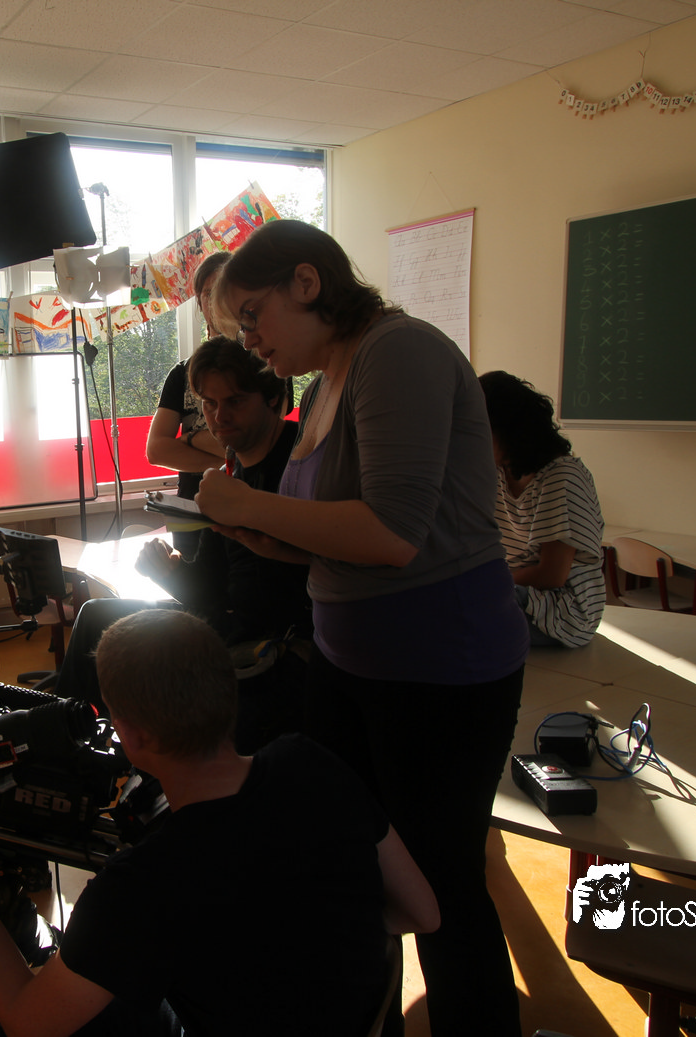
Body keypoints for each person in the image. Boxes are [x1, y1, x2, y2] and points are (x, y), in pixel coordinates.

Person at [196, 220, 528, 1036]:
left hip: (437, 665)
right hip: (351, 660)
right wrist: (263, 533)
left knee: (438, 883)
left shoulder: (397, 351)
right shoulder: (325, 380)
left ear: (306, 283)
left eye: (252, 315)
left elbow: (391, 532)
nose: (249, 340)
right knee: (354, 861)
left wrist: (250, 502)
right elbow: (329, 529)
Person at [0, 609, 439, 1037]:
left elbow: (29, 1023)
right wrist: (306, 934)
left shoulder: (142, 886)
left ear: (133, 736)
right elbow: (424, 913)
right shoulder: (310, 761)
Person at [59, 336, 310, 751]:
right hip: (224, 621)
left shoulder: (299, 462)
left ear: (273, 400)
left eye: (234, 401)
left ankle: (75, 749)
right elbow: (209, 585)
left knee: (111, 635)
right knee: (93, 618)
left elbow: (266, 591)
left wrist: (184, 583)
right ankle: (67, 745)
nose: (218, 417)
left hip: (266, 639)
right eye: (209, 404)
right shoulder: (231, 471)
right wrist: (168, 572)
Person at [479, 370, 606, 648]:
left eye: (480, 430)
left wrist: (485, 582)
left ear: (509, 430)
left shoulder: (562, 476)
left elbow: (551, 575)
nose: (472, 440)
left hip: (564, 612)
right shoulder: (499, 473)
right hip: (519, 593)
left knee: (457, 607)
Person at [144, 251, 236, 563]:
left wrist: (189, 439)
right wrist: (225, 459)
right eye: (208, 293)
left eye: (223, 290)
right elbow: (156, 450)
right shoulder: (181, 373)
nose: (215, 301)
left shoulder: (262, 364)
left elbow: (254, 445)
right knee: (186, 584)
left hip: (244, 506)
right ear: (199, 303)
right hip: (189, 510)